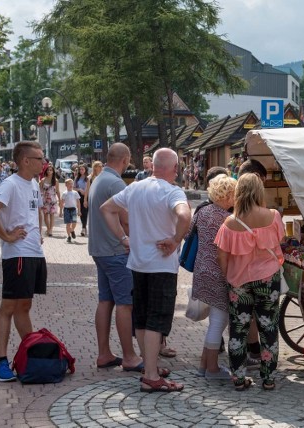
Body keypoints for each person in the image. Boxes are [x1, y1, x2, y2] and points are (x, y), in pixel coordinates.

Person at [101, 148, 191, 393]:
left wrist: (123, 238)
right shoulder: (173, 191)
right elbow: (185, 215)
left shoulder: (135, 187)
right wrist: (175, 240)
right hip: (161, 265)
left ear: (154, 166)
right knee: (155, 320)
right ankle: (151, 375)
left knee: (141, 318)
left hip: (138, 263)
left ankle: (148, 366)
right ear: (173, 169)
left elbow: (105, 209)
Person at [0, 141, 47, 382]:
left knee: (24, 306)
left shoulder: (33, 183)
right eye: (39, 158)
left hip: (33, 253)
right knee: (8, 307)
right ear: (25, 161)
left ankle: (29, 353)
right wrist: (7, 236)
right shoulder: (9, 184)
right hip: (17, 255)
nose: (43, 162)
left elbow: (36, 211)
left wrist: (39, 232)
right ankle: (1, 363)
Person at [214, 173, 285, 391]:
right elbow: (279, 241)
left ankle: (238, 377)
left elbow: (222, 256)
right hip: (267, 278)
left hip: (239, 281)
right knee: (268, 326)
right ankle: (269, 378)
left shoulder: (230, 223)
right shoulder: (273, 216)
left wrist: (228, 277)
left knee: (238, 329)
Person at [88, 143, 143, 371]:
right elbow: (126, 220)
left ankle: (104, 353)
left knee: (105, 301)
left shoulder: (99, 179)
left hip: (100, 249)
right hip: (116, 251)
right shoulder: (116, 182)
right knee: (125, 304)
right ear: (125, 159)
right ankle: (129, 356)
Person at [191, 174, 237, 379]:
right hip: (219, 271)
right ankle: (212, 369)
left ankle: (204, 364)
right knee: (219, 321)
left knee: (215, 322)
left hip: (201, 270)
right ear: (227, 195)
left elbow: (188, 235)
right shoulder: (226, 218)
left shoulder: (203, 211)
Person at [236, 158, 267, 367]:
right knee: (264, 318)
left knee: (239, 319)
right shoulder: (270, 217)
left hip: (238, 275)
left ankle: (238, 366)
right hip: (261, 274)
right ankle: (267, 371)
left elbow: (223, 252)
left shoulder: (231, 218)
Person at [39, 165, 60, 237]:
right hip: (45, 200)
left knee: (52, 215)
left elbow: (57, 191)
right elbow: (39, 190)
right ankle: (48, 228)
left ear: (53, 171)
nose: (49, 171)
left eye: (51, 170)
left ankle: (50, 230)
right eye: (48, 170)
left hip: (53, 200)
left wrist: (60, 200)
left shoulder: (56, 181)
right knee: (45, 215)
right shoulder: (42, 180)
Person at [60, 178, 81, 243]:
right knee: (68, 224)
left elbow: (78, 202)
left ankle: (72, 230)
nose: (70, 185)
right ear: (66, 185)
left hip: (73, 209)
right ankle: (68, 236)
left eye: (71, 183)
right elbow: (62, 203)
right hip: (66, 210)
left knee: (74, 222)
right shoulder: (64, 193)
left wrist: (79, 211)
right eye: (69, 184)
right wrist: (60, 211)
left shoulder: (75, 193)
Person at [74, 164, 89, 236]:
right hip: (79, 196)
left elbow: (88, 188)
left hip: (86, 196)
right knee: (80, 212)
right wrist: (79, 189)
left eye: (83, 169)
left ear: (85, 170)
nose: (81, 171)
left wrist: (85, 197)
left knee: (85, 211)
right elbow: (74, 188)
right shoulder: (77, 178)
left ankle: (83, 227)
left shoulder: (88, 178)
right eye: (80, 169)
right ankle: (84, 226)